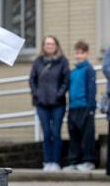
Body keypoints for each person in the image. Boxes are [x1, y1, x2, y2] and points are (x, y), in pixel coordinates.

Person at [29, 35, 70, 172]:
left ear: (56, 46)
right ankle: (47, 162)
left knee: (56, 133)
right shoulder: (38, 62)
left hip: (58, 104)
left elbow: (66, 80)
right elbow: (32, 80)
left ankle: (56, 162)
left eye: (52, 44)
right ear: (43, 46)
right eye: (47, 44)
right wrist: (37, 94)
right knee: (46, 133)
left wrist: (59, 94)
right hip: (42, 104)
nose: (49, 46)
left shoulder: (63, 61)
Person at [65, 40, 96, 171]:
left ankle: (89, 161)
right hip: (73, 108)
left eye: (81, 53)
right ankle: (74, 161)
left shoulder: (89, 69)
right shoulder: (72, 72)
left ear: (87, 54)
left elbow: (91, 89)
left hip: (85, 107)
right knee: (74, 136)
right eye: (77, 53)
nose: (79, 55)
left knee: (87, 135)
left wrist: (91, 107)